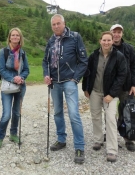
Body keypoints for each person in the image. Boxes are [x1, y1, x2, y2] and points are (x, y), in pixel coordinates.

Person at [42, 14, 88, 164]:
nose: (56, 26)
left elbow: (83, 61)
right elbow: (45, 61)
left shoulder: (75, 37)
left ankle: (79, 147)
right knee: (57, 112)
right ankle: (61, 139)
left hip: (69, 81)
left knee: (74, 114)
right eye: (53, 24)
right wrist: (46, 74)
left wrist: (76, 78)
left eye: (58, 23)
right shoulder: (50, 40)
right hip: (54, 82)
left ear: (64, 23)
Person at [82, 31, 127, 162]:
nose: (106, 42)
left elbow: (121, 77)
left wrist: (112, 94)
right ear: (100, 41)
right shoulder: (94, 55)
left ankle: (112, 150)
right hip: (95, 91)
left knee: (111, 119)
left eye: (109, 40)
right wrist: (86, 88)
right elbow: (87, 73)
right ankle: (98, 140)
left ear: (113, 41)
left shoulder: (119, 57)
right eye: (104, 40)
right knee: (95, 116)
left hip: (110, 94)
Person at [0, 27, 30, 150]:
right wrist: (14, 79)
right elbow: (2, 70)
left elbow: (26, 70)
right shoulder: (3, 52)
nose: (15, 37)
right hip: (8, 86)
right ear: (9, 37)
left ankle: (13, 134)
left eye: (17, 35)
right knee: (6, 114)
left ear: (20, 38)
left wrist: (21, 77)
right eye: (13, 35)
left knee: (16, 113)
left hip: (20, 86)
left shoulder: (23, 53)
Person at [110, 24, 135, 152]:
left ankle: (128, 138)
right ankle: (110, 136)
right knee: (110, 114)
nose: (116, 34)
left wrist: (134, 84)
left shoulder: (129, 49)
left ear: (122, 34)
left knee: (127, 113)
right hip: (110, 87)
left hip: (126, 87)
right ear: (110, 33)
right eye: (114, 32)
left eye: (119, 32)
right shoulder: (106, 46)